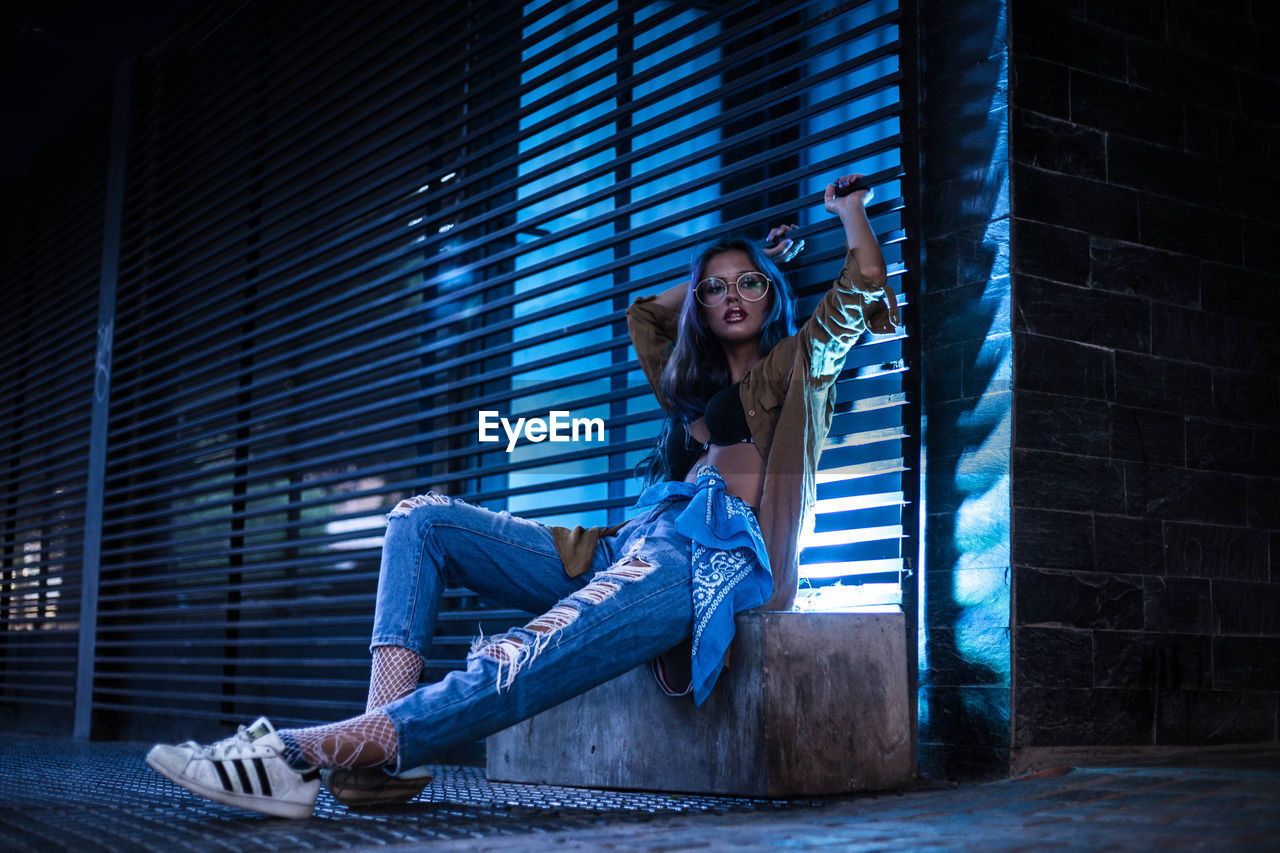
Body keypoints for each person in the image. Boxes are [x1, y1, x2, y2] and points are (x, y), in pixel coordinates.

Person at [144, 174, 900, 819]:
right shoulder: (689, 392)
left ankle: (299, 753)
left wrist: (844, 217)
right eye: (714, 287)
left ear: (775, 297)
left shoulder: (799, 368)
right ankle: (383, 759)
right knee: (422, 520)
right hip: (630, 540)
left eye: (748, 285)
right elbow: (646, 314)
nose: (731, 296)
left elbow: (863, 286)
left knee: (528, 647)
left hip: (708, 557)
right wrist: (740, 259)